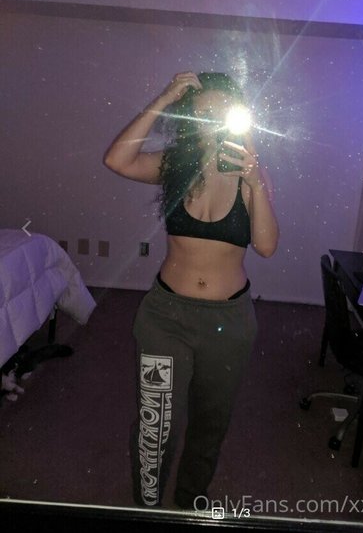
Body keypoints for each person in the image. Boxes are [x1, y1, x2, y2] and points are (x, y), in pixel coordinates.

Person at [103, 71, 279, 510]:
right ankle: (147, 506)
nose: (212, 123)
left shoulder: (249, 173)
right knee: (155, 424)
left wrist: (255, 183)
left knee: (209, 422)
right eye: (203, 114)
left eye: (221, 113)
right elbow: (117, 161)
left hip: (228, 323)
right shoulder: (174, 166)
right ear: (190, 119)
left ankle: (189, 505)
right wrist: (163, 97)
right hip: (166, 317)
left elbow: (266, 246)